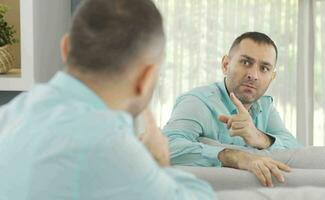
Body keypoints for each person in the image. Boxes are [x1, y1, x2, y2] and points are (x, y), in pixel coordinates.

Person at [0, 0, 216, 199]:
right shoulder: (110, 146)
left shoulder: (9, 114)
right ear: (146, 77)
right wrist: (160, 164)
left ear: (65, 48)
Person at [163, 32, 325, 187]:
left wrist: (258, 137)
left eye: (264, 68)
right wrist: (234, 156)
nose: (253, 75)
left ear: (272, 76)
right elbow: (167, 147)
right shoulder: (196, 102)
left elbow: (295, 149)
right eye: (246, 62)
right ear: (226, 64)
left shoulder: (265, 105)